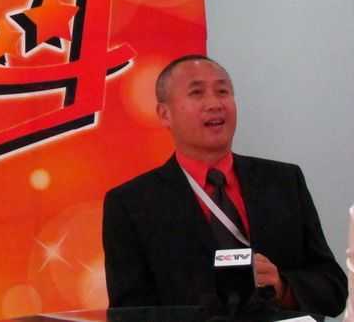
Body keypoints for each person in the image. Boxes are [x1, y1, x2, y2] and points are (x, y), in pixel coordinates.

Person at [102, 54, 347, 316]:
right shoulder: (131, 204)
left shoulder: (284, 182)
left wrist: (282, 286)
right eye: (197, 93)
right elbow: (129, 313)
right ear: (165, 114)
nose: (214, 103)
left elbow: (333, 289)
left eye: (223, 91)